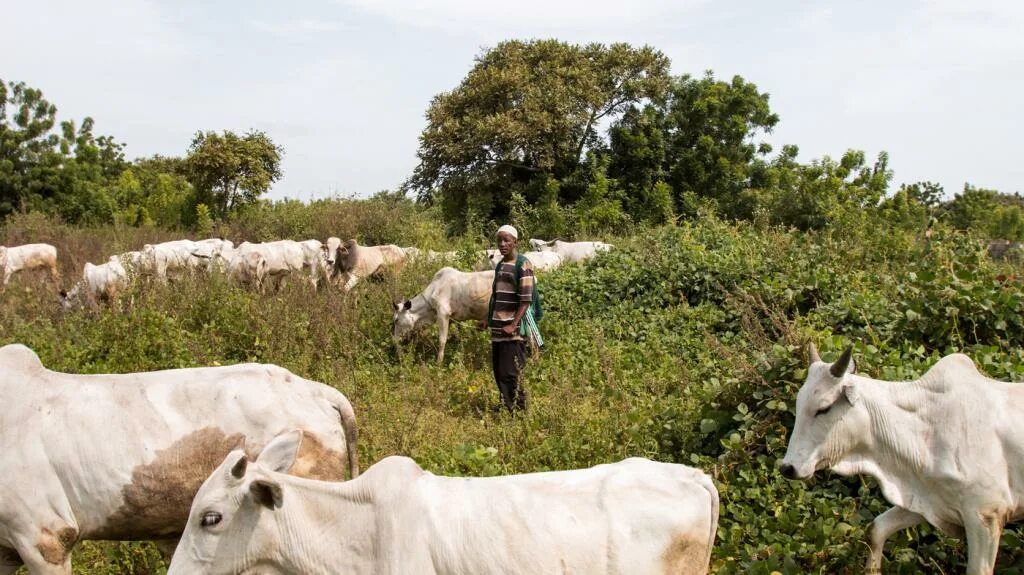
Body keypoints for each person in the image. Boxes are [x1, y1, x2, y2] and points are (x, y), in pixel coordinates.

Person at [487, 224, 534, 411]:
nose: (502, 244)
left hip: (512, 331)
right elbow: (496, 296)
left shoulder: (523, 264)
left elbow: (526, 300)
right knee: (499, 371)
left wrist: (514, 324)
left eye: (507, 240)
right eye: (499, 240)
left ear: (515, 242)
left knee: (511, 372)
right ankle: (507, 406)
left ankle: (519, 410)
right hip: (498, 329)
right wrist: (487, 319)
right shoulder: (500, 265)